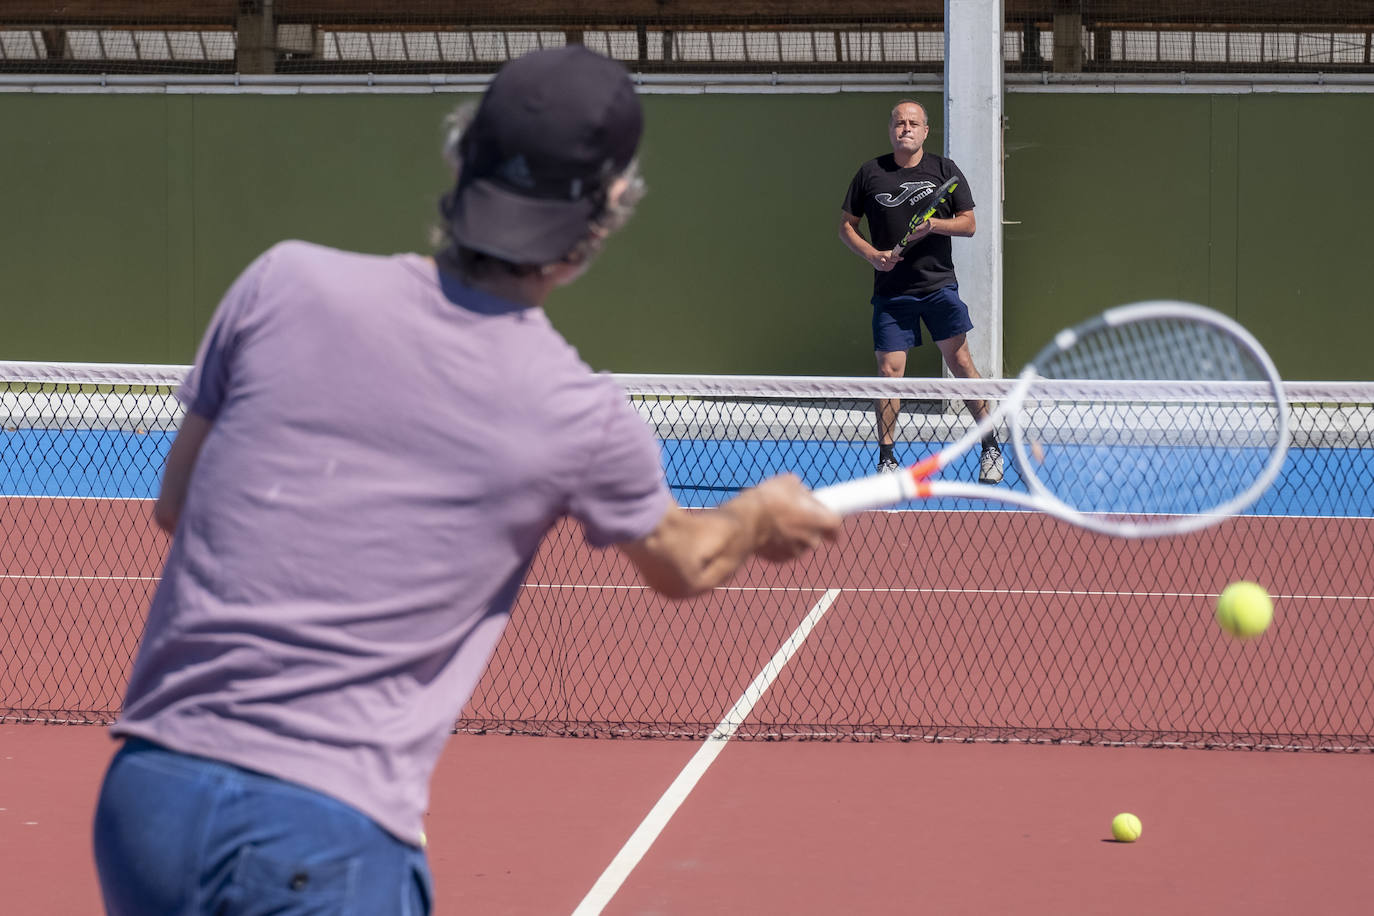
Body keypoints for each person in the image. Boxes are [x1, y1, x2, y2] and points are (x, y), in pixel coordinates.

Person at [91, 46, 841, 916]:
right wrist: (755, 516)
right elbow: (687, 564)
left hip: (148, 799)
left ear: (460, 158)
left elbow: (177, 504)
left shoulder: (279, 281)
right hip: (323, 839)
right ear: (608, 211)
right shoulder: (579, 412)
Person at [838, 98, 1002, 484]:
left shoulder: (944, 170)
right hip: (892, 294)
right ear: (891, 129)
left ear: (926, 131)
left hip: (938, 286)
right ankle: (888, 459)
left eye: (913, 122)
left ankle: (990, 444)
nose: (906, 128)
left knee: (961, 364)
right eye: (899, 122)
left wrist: (934, 227)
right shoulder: (870, 173)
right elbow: (846, 226)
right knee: (888, 373)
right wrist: (872, 255)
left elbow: (969, 224)